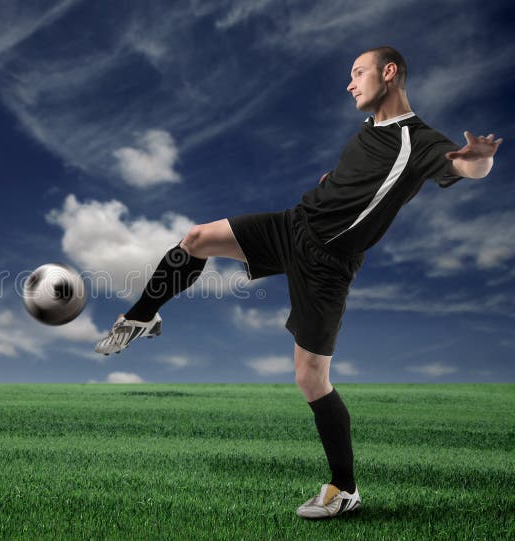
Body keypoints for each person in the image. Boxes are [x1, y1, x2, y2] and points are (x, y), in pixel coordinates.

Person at [94, 46, 503, 519]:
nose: (350, 84)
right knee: (198, 238)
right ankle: (142, 316)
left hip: (328, 265)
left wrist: (480, 160)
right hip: (293, 225)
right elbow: (355, 179)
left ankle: (344, 489)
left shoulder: (421, 141)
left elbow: (462, 165)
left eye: (358, 73)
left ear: (389, 74)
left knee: (310, 378)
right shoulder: (369, 130)